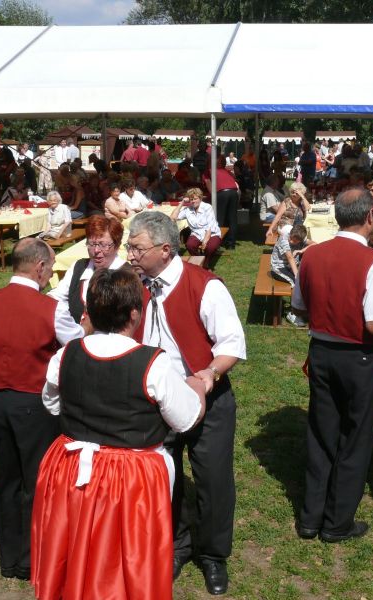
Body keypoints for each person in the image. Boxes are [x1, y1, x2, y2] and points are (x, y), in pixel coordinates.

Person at [31, 268, 206, 600]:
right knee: (125, 557)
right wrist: (197, 388)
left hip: (72, 468)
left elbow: (52, 404)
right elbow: (185, 419)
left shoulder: (65, 355)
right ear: (134, 314)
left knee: (77, 542)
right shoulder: (153, 363)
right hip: (131, 476)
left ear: (91, 312)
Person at [126, 211, 246, 595]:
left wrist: (208, 375)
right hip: (155, 400)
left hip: (206, 398)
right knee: (165, 477)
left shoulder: (204, 285)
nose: (129, 255)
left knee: (213, 480)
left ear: (165, 250)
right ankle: (177, 545)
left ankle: (212, 555)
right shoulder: (136, 286)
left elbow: (232, 344)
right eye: (129, 247)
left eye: (137, 248)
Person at [290, 188, 373, 543]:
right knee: (356, 438)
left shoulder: (311, 255)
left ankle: (311, 518)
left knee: (322, 432)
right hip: (361, 356)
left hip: (322, 351)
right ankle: (337, 522)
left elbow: (299, 307)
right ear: (370, 216)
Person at [0, 238, 83, 581]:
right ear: (39, 267)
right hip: (34, 402)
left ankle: (9, 558)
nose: (50, 275)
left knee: (5, 478)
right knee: (37, 480)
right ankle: (32, 557)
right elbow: (77, 345)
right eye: (50, 268)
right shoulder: (50, 309)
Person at [48, 215, 126, 325]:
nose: (96, 250)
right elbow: (57, 295)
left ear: (117, 246)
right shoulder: (79, 267)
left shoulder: (127, 274)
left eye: (103, 245)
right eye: (91, 244)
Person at [175, 187, 223, 263]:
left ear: (200, 198)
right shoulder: (188, 209)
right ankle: (199, 261)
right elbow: (173, 217)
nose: (193, 201)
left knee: (210, 247)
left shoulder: (207, 207)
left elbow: (210, 226)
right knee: (190, 245)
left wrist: (205, 240)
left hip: (212, 233)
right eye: (191, 199)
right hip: (197, 233)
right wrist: (182, 203)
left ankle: (206, 263)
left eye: (195, 199)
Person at [270, 222, 310, 288]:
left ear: (300, 240)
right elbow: (290, 257)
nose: (291, 241)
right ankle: (296, 295)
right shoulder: (284, 239)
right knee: (297, 282)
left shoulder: (300, 238)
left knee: (306, 278)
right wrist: (297, 275)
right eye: (291, 238)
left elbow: (315, 244)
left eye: (295, 241)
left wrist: (301, 250)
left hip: (290, 266)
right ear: (290, 233)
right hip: (278, 268)